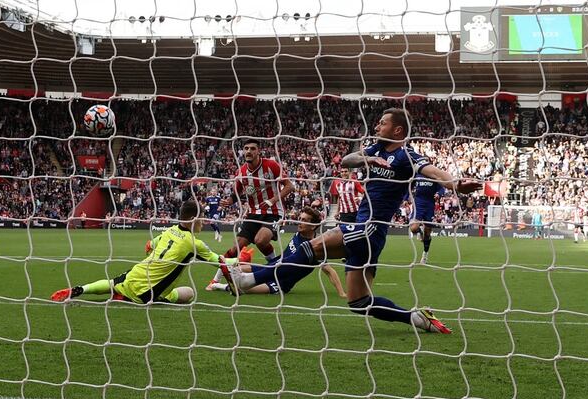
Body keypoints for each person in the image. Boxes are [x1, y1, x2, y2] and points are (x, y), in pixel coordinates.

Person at [226, 108, 481, 334]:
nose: (378, 126)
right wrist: (366, 158)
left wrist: (456, 184)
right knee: (358, 303)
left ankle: (250, 279)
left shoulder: (407, 156)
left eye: (383, 123)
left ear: (398, 129)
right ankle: (416, 317)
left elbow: (433, 171)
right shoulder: (377, 148)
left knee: (313, 247)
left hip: (369, 227)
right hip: (366, 230)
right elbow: (348, 160)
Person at [50, 201, 241, 304]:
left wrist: (155, 250)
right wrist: (239, 259)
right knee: (188, 293)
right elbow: (222, 262)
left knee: (113, 283)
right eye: (201, 219)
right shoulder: (194, 243)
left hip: (136, 274)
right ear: (192, 219)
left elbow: (149, 245)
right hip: (147, 294)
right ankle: (133, 297)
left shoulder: (169, 230)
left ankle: (81, 289)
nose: (203, 222)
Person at [206, 139, 295, 290]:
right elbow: (236, 193)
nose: (248, 151)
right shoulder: (241, 172)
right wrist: (229, 200)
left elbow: (289, 186)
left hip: (273, 212)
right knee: (236, 248)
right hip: (253, 214)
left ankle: (275, 271)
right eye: (246, 148)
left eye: (252, 148)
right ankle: (215, 280)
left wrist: (271, 201)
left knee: (260, 240)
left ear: (258, 151)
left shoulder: (271, 166)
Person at [211, 206, 347, 297]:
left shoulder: (315, 247)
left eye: (304, 221)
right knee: (237, 268)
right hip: (272, 266)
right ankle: (218, 280)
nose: (299, 223)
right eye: (300, 219)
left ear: (314, 226)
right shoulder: (298, 235)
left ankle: (221, 286)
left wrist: (342, 293)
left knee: (246, 290)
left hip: (281, 282)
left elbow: (330, 271)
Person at [409, 174, 446, 264]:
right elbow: (409, 185)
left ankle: (425, 254)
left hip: (430, 205)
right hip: (418, 204)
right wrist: (407, 197)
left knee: (428, 233)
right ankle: (419, 232)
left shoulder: (434, 175)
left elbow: (442, 188)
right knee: (413, 228)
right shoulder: (417, 175)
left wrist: (438, 194)